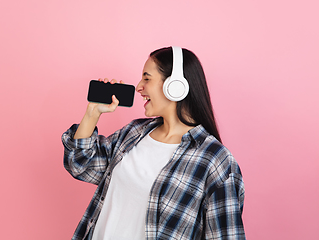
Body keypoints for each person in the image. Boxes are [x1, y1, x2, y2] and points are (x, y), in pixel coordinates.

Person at [62, 46, 245, 240]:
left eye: (147, 78)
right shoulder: (134, 133)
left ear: (175, 86)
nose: (139, 87)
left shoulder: (214, 161)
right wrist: (93, 113)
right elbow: (80, 164)